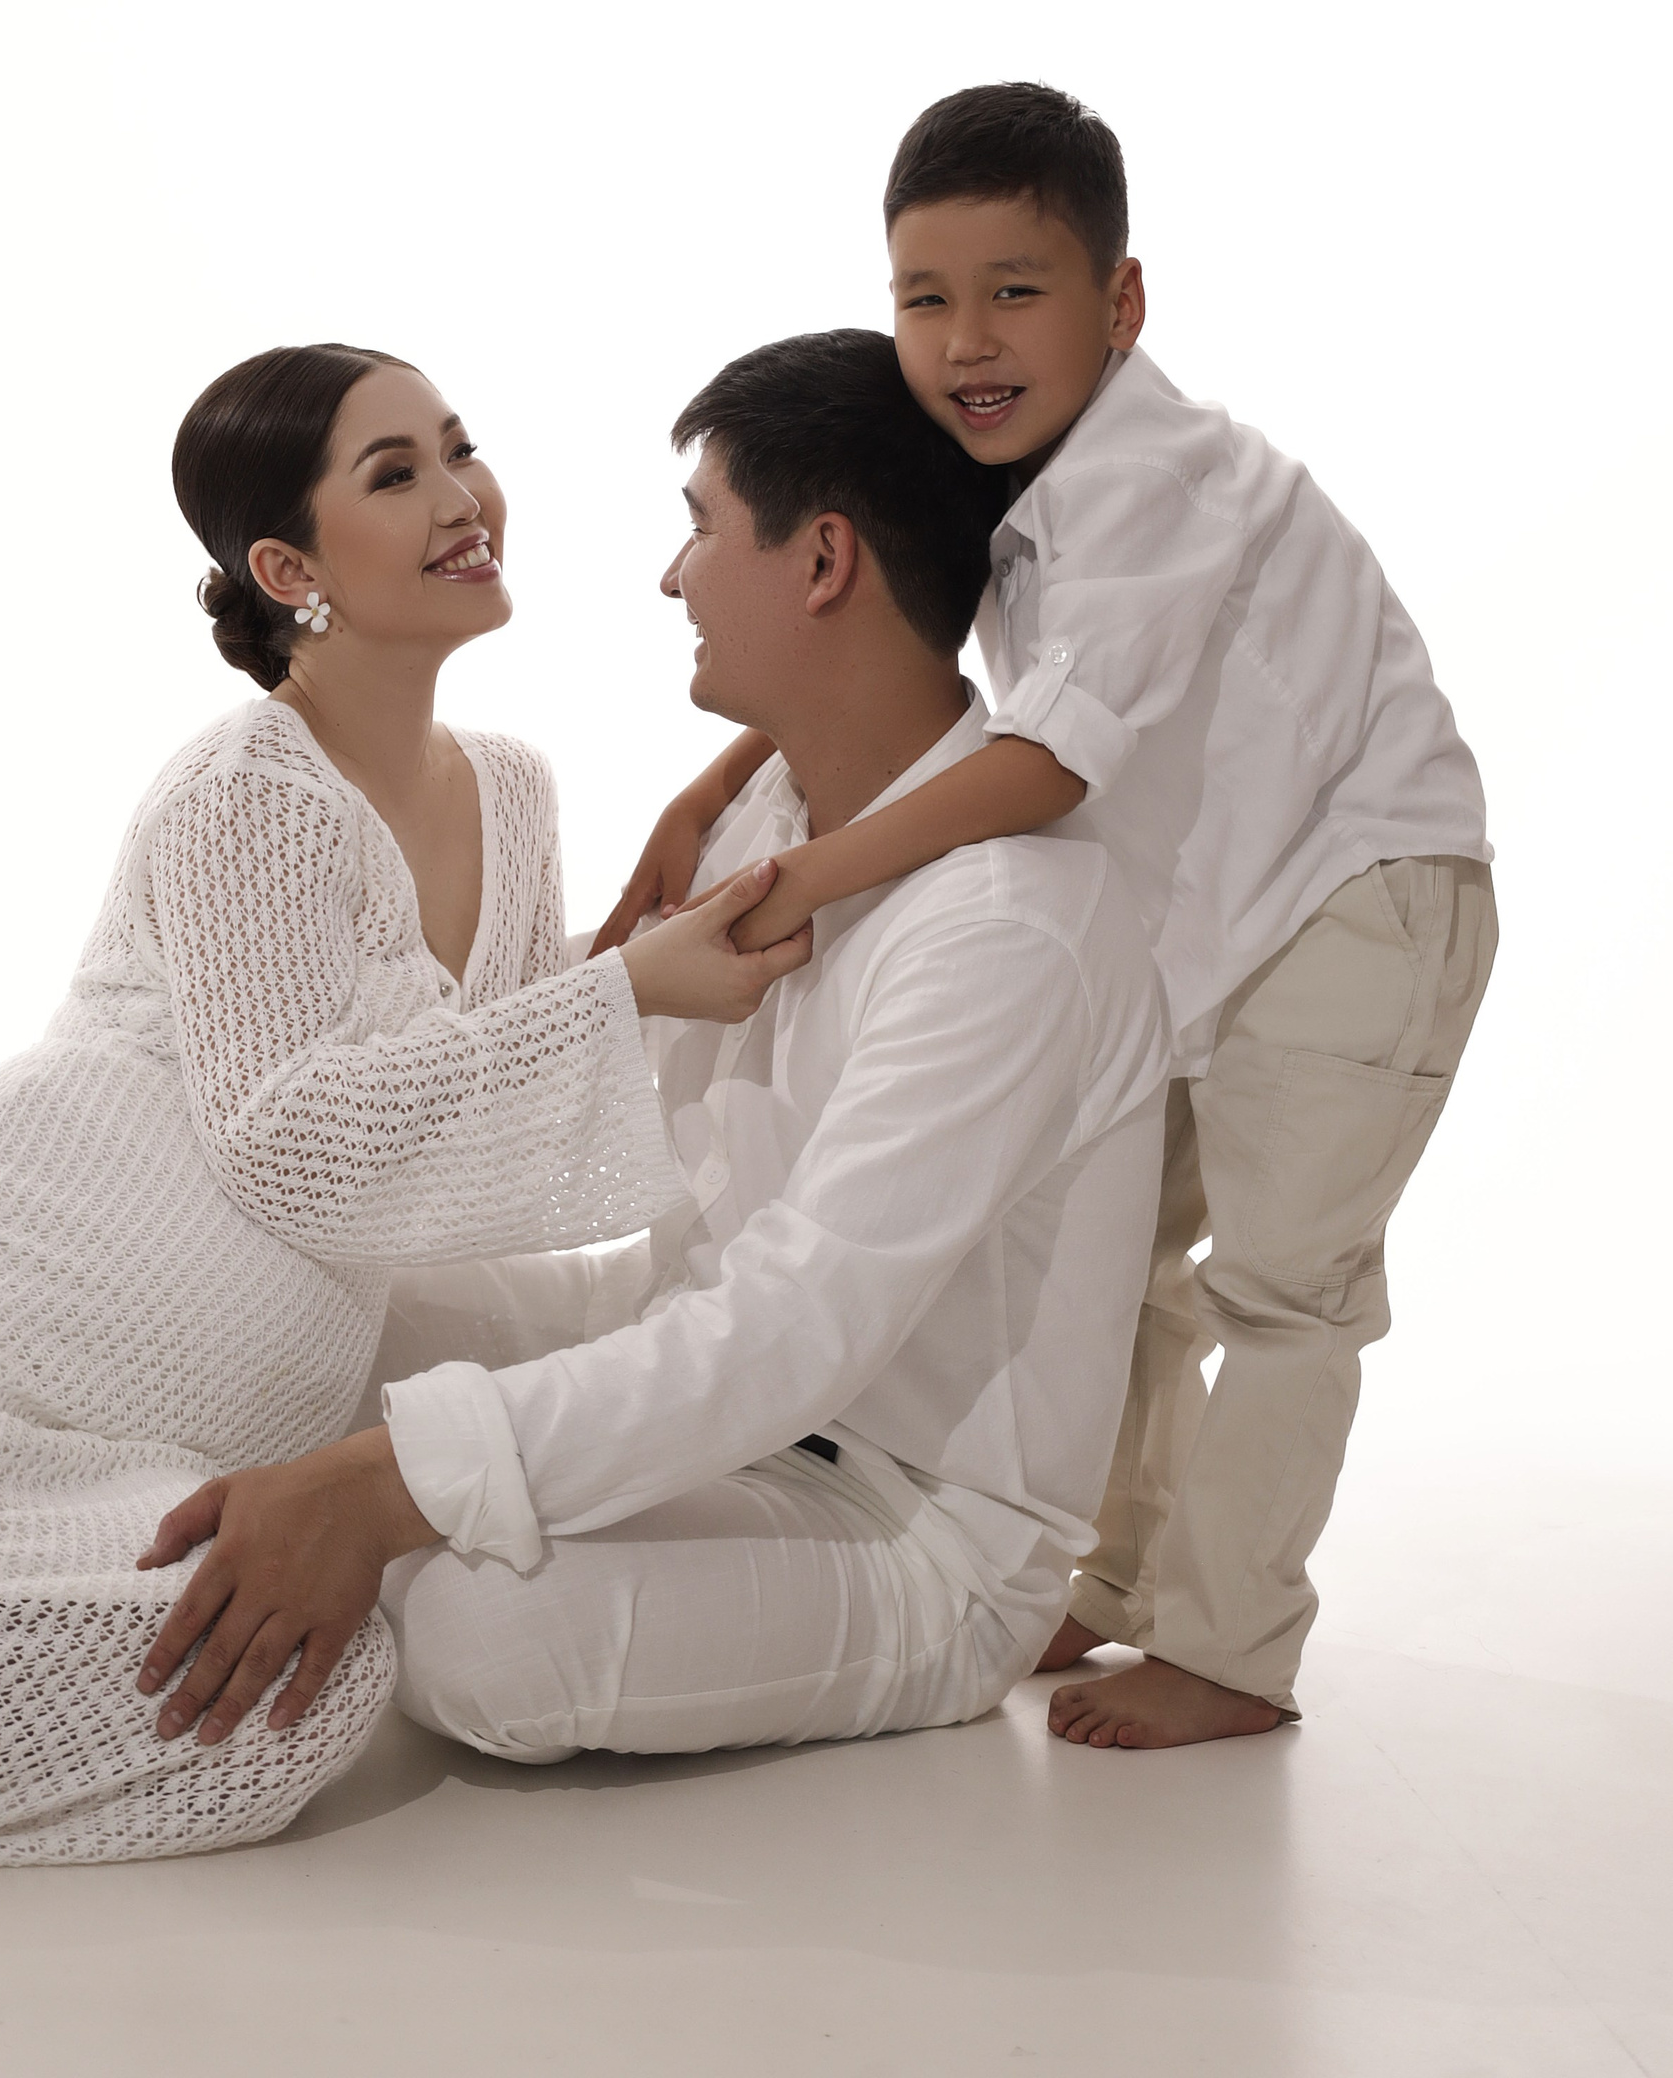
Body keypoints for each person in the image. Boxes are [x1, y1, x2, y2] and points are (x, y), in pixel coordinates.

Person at [0, 342, 802, 1880]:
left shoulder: (513, 789)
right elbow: (291, 1137)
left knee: (293, 1693)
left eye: (459, 448)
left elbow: (468, 1089)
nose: (463, 497)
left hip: (163, 1417)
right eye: (397, 473)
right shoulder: (243, 787)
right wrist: (630, 990)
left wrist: (664, 898)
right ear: (288, 569)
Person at [598, 85, 1498, 1750]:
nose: (967, 342)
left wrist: (795, 874)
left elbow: (1044, 762)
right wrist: (710, 785)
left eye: (1015, 291)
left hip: (1362, 897)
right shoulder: (1006, 467)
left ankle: (1233, 1649)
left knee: (1286, 1290)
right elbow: (907, 643)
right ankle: (1120, 1572)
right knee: (1128, 1254)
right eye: (925, 298)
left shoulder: (1153, 475)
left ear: (1121, 302)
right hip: (1219, 921)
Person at [134, 329, 1171, 1768]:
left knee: (473, 1632)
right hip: (690, 1364)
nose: (672, 577)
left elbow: (791, 1329)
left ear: (823, 562)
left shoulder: (1007, 929)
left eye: (700, 527)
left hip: (905, 1523)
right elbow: (594, 1127)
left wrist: (386, 1489)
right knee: (281, 1332)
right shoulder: (764, 823)